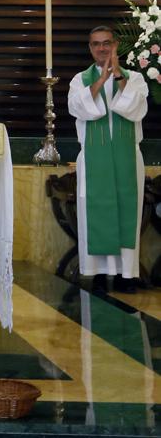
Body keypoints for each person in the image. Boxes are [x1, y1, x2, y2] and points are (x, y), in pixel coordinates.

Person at [67, 24, 148, 294]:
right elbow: (79, 108)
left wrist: (118, 77)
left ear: (115, 46)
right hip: (93, 158)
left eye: (106, 43)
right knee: (95, 210)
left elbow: (136, 109)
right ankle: (99, 273)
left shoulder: (134, 77)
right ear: (90, 48)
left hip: (127, 157)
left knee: (128, 210)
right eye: (96, 44)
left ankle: (126, 275)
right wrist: (100, 81)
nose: (101, 48)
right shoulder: (80, 79)